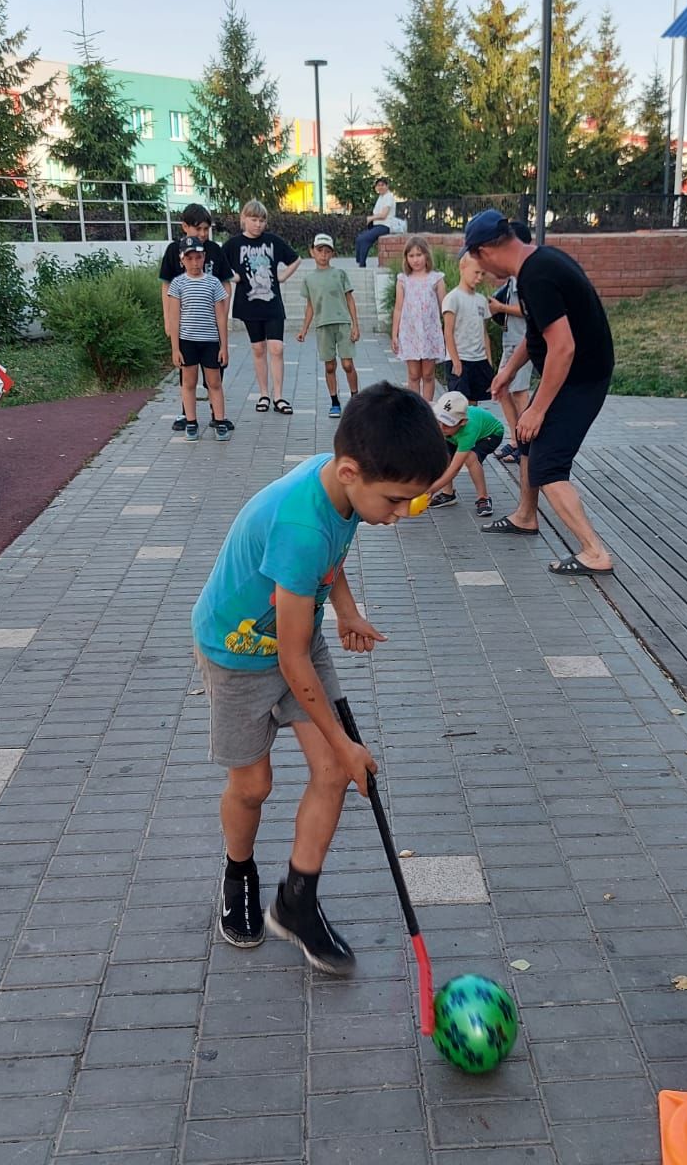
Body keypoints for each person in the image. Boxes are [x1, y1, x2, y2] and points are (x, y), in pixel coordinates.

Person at [193, 381, 449, 975]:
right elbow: (291, 661)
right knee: (254, 786)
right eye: (394, 501)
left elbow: (332, 555)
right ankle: (239, 871)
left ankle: (297, 903)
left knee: (333, 771)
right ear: (352, 471)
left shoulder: (339, 486)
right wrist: (348, 742)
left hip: (295, 636)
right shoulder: (299, 525)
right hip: (239, 652)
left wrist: (346, 608)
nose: (397, 516)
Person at [464, 209, 616, 576]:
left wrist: (537, 409)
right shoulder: (537, 264)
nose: (481, 269)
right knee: (528, 442)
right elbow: (537, 337)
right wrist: (507, 372)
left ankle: (594, 551)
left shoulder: (537, 277)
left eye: (476, 258)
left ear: (485, 250)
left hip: (581, 378)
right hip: (574, 374)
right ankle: (526, 516)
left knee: (548, 464)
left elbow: (562, 348)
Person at [160, 203, 234, 432]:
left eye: (206, 229)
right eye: (198, 228)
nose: (202, 234)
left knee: (214, 374)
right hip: (187, 326)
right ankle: (187, 414)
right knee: (187, 372)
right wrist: (168, 321)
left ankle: (217, 414)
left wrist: (222, 313)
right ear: (184, 226)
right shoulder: (174, 250)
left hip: (210, 327)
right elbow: (167, 286)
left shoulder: (215, 250)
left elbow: (225, 283)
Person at [223, 200, 301, 414]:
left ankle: (279, 396)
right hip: (248, 305)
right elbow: (219, 264)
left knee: (277, 348)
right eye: (253, 220)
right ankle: (264, 394)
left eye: (261, 220)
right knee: (258, 348)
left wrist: (283, 275)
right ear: (244, 220)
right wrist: (233, 276)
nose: (258, 224)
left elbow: (295, 259)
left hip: (272, 304)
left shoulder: (273, 241)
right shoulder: (234, 244)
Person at [296, 233, 361, 419]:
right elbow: (310, 306)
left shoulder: (340, 274)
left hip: (343, 324)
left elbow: (350, 299)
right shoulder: (309, 279)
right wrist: (304, 329)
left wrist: (355, 325)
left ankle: (355, 398)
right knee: (330, 365)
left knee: (347, 363)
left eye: (327, 251)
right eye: (319, 251)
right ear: (312, 252)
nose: (323, 255)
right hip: (323, 326)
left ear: (332, 254)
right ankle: (334, 401)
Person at [486, 220, 533, 463]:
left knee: (520, 392)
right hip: (510, 340)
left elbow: (529, 310)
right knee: (501, 388)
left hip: (525, 343)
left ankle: (527, 444)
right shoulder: (514, 277)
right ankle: (516, 439)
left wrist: (501, 307)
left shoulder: (527, 275)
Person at [425, 391, 505, 517]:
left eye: (447, 424)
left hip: (491, 434)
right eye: (438, 420)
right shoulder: (438, 421)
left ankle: (483, 498)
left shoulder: (468, 431)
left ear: (462, 422)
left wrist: (431, 489)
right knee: (443, 454)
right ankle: (448, 494)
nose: (440, 427)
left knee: (470, 457)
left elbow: (455, 468)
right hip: (454, 436)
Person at [390, 236, 446, 402]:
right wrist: (395, 334)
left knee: (428, 374)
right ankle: (414, 407)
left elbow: (445, 307)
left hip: (430, 333)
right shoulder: (403, 280)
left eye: (419, 255)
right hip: (411, 333)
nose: (416, 259)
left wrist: (449, 331)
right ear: (406, 258)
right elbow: (398, 308)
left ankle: (427, 407)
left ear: (427, 256)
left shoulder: (436, 279)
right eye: (411, 256)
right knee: (414, 374)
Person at [441, 251, 494, 403]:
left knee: (474, 402)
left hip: (478, 359)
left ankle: (473, 427)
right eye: (476, 272)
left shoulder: (481, 300)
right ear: (462, 268)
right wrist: (456, 362)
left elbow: (484, 333)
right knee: (459, 404)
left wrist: (488, 361)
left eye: (483, 274)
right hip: (460, 358)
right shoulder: (453, 298)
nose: (479, 278)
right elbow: (448, 332)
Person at [354, 177, 398, 267]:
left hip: (385, 226)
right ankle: (360, 261)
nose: (380, 187)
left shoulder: (389, 197)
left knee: (364, 239)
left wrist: (370, 218)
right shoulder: (381, 197)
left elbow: (383, 215)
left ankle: (362, 264)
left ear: (387, 186)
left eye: (383, 185)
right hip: (377, 226)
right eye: (378, 185)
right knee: (359, 238)